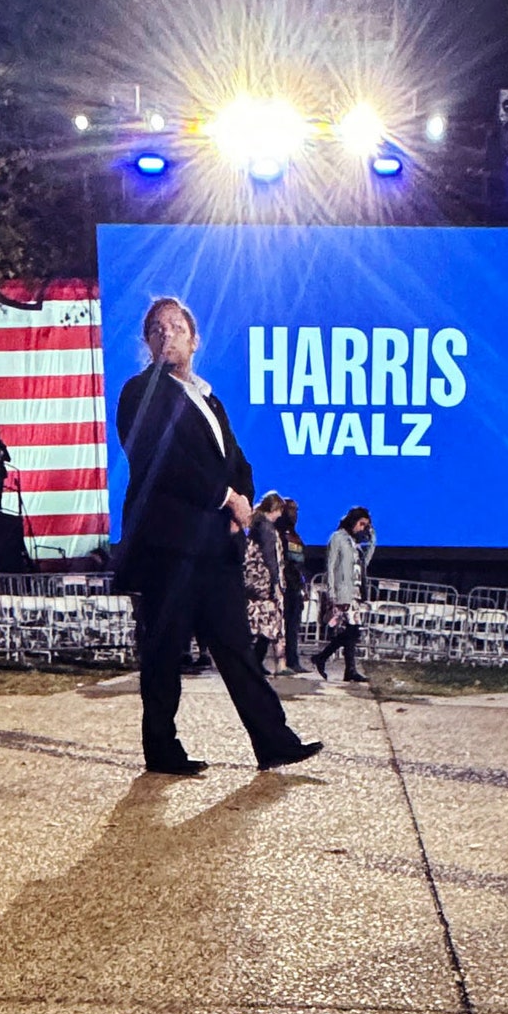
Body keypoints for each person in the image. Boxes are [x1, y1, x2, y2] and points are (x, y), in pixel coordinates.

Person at [114, 296, 321, 777]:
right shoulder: (139, 392)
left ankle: (275, 742)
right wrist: (224, 496)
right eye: (156, 330)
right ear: (148, 342)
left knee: (235, 647)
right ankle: (161, 750)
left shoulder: (210, 399)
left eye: (175, 326)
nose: (167, 335)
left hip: (214, 547)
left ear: (194, 337)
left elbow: (239, 464)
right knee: (164, 652)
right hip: (169, 547)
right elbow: (159, 461)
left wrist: (241, 506)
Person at [313, 507, 374, 682]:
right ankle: (342, 666)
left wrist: (372, 539)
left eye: (366, 525)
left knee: (352, 632)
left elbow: (364, 564)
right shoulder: (337, 538)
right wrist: (331, 592)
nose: (363, 528)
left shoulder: (355, 543)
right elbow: (330, 567)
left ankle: (331, 662)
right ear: (352, 521)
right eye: (361, 524)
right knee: (352, 630)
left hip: (355, 592)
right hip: (342, 592)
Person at [244, 491, 286, 670]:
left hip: (256, 584)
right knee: (268, 624)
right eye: (279, 510)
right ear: (274, 508)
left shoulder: (256, 525)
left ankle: (255, 662)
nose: (281, 515)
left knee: (262, 625)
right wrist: (276, 583)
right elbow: (271, 558)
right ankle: (254, 662)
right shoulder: (266, 528)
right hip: (264, 585)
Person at [278, 497, 307, 673]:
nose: (295, 514)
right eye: (292, 510)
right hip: (286, 585)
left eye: (296, 510)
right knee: (281, 626)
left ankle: (292, 659)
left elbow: (300, 561)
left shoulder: (293, 534)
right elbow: (289, 560)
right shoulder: (282, 534)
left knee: (292, 626)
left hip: (295, 585)